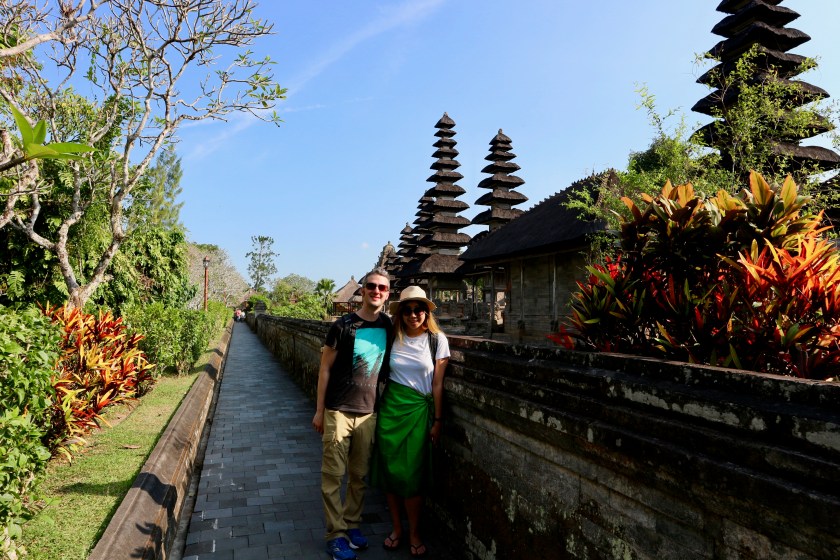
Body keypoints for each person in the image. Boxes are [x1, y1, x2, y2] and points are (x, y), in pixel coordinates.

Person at [312, 267, 393, 560]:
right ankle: (335, 534)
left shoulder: (388, 326)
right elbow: (324, 368)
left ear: (388, 293)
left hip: (369, 412)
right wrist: (320, 410)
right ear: (362, 290)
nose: (376, 291)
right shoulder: (343, 326)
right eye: (371, 286)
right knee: (333, 476)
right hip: (338, 410)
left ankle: (352, 524)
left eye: (382, 288)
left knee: (359, 476)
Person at [371, 285, 450, 558]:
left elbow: (437, 384)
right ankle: (397, 529)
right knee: (390, 473)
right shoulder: (393, 338)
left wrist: (438, 420)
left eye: (419, 310)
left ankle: (414, 532)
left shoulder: (437, 340)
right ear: (400, 314)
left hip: (418, 412)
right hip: (391, 410)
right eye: (408, 310)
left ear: (426, 312)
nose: (413, 315)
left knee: (412, 476)